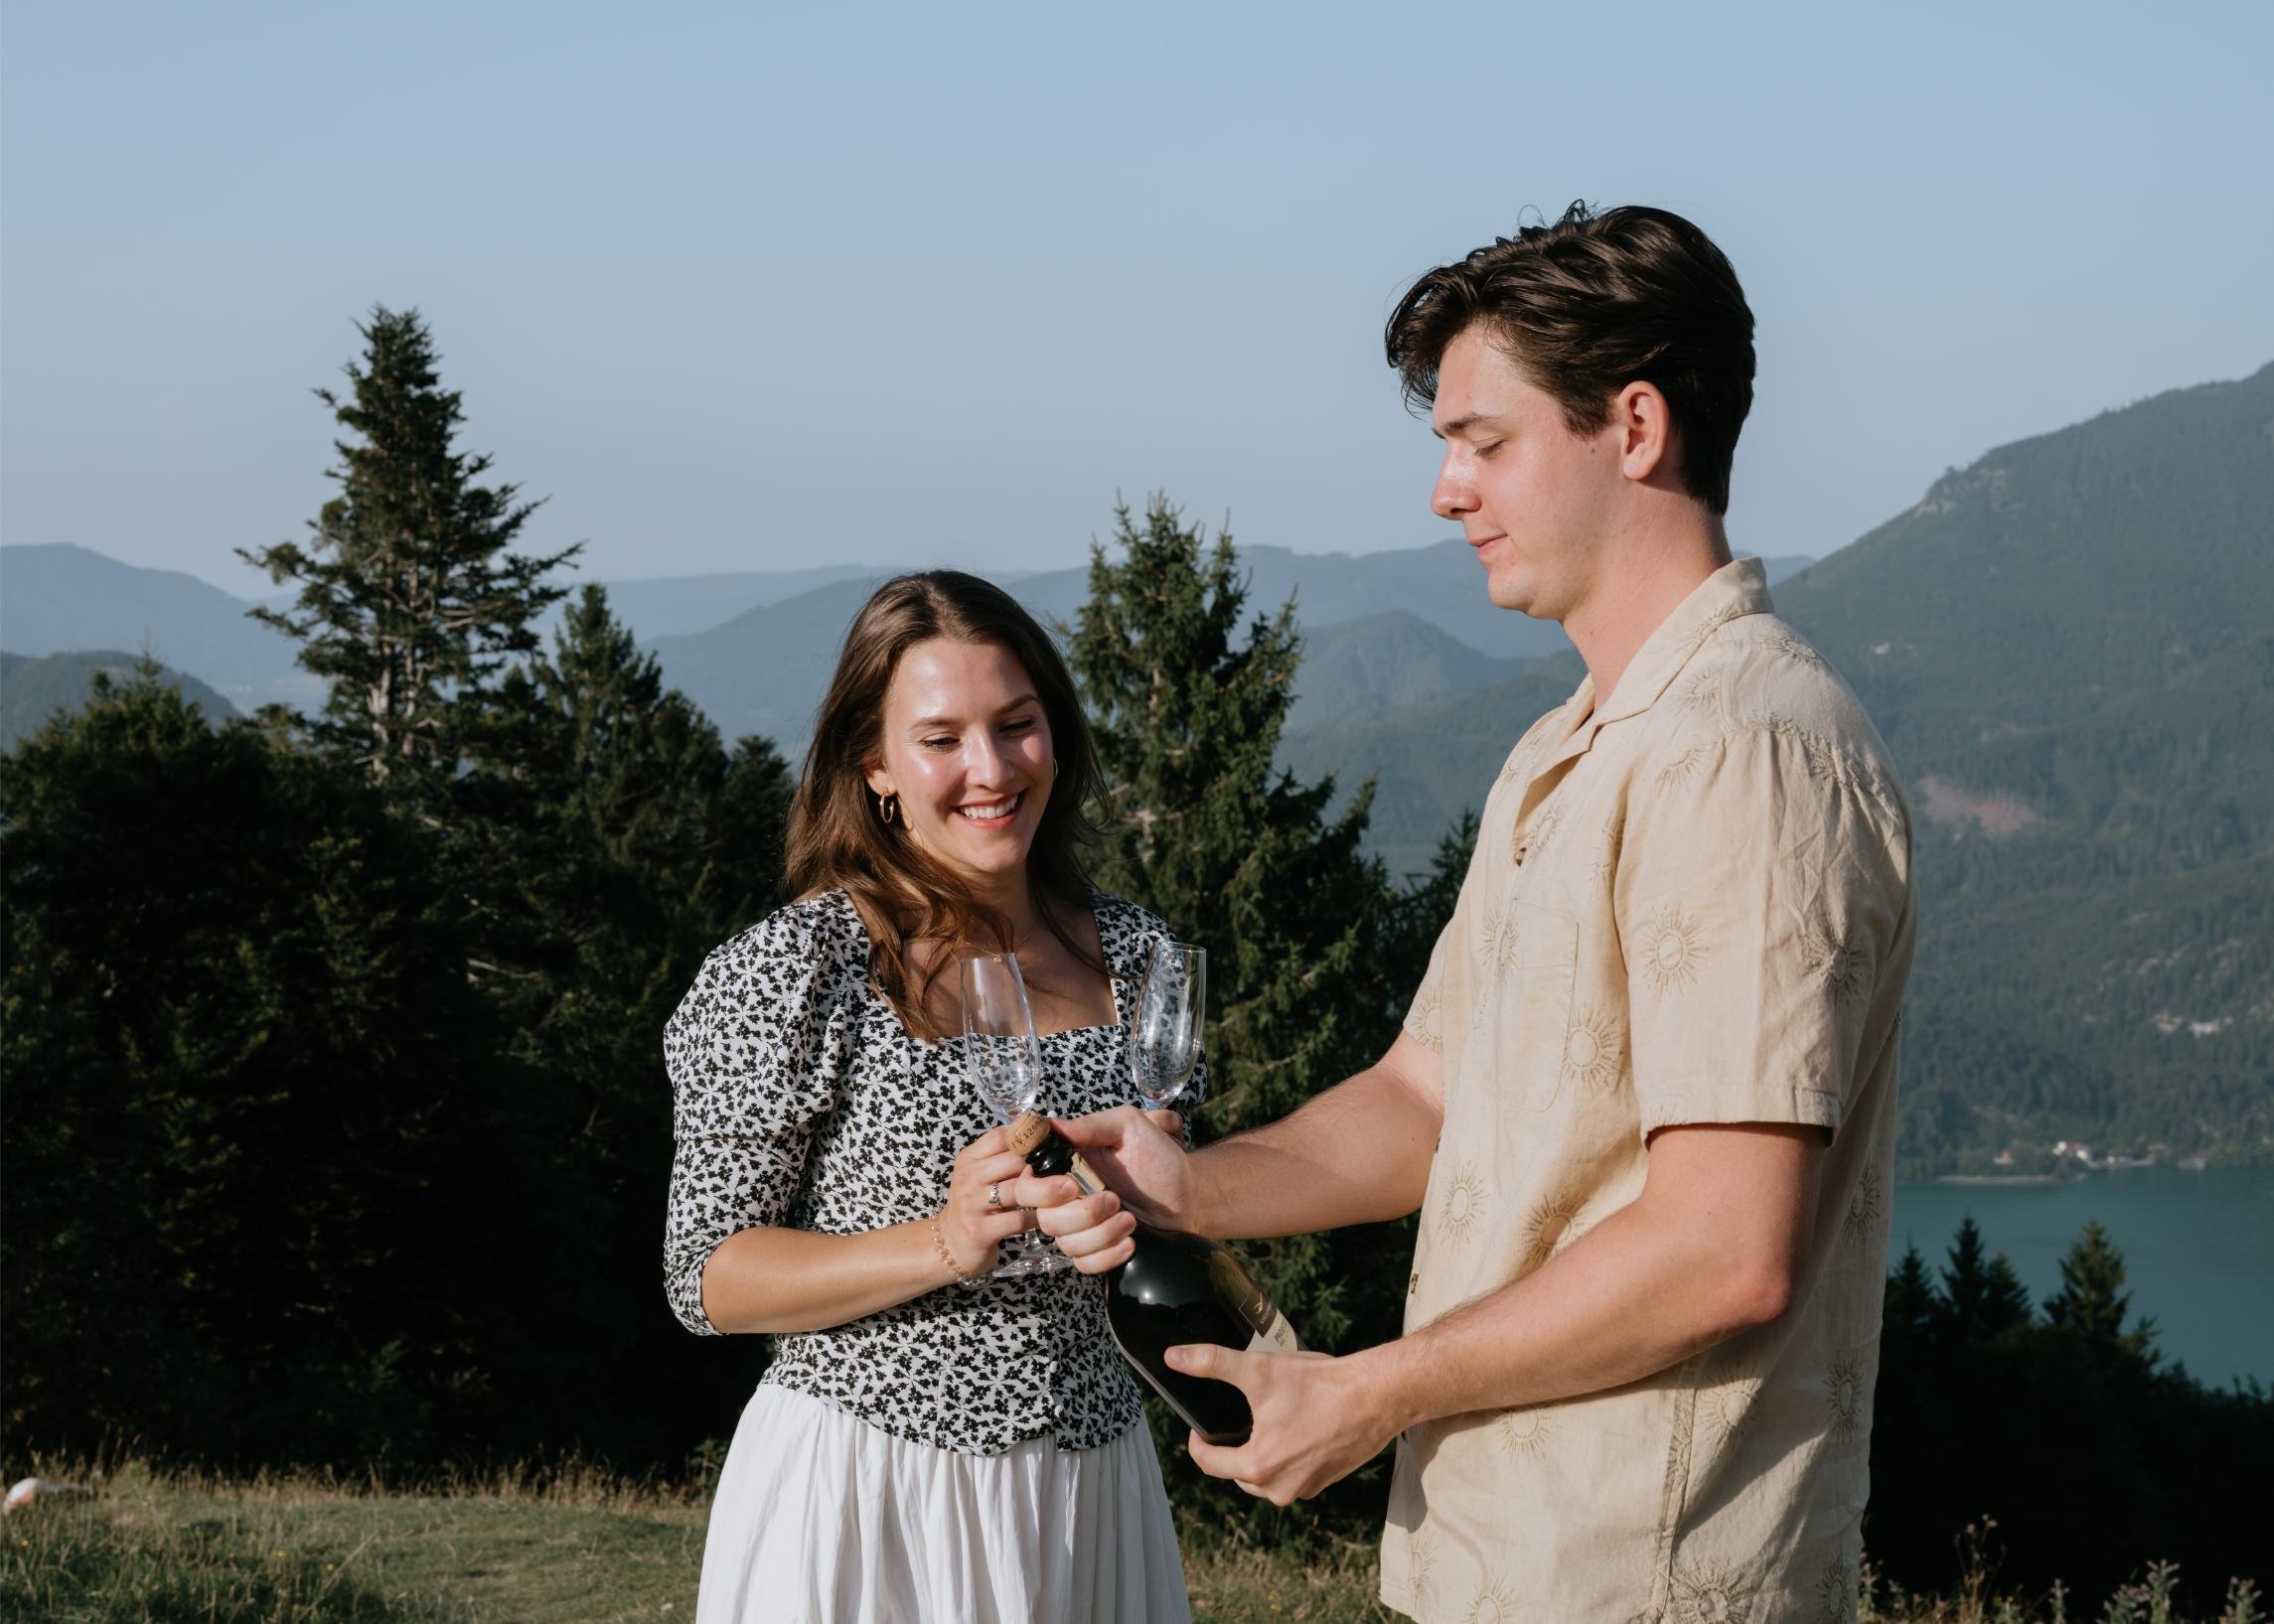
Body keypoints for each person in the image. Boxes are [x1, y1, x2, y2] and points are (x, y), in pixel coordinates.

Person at [1033, 204, 1916, 1622]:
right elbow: (1428, 1095)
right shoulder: (1568, 748)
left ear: (1633, 427)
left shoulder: (1748, 749)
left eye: (1484, 441)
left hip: (1649, 1576)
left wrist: (1369, 1390)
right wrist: (1186, 1184)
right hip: (1496, 1559)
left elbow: (1725, 1243)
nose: (1447, 490)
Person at [663, 570, 1194, 1623]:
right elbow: (707, 1276)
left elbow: (1166, 1221)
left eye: (1017, 725)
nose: (990, 769)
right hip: (875, 1498)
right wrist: (947, 1242)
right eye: (942, 738)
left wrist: (1173, 1202)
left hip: (1096, 1487)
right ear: (877, 768)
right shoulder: (797, 970)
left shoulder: (1141, 955)